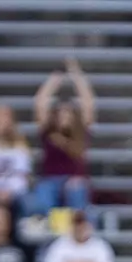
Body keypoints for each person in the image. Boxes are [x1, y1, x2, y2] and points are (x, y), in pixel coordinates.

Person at [30, 58, 95, 217]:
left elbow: (88, 102)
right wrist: (56, 77)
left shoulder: (81, 132)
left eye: (68, 113)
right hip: (50, 180)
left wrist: (75, 74)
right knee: (43, 196)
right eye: (60, 112)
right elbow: (40, 102)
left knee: (77, 190)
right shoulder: (48, 131)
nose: (64, 116)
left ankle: (76, 230)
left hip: (74, 181)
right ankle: (50, 229)